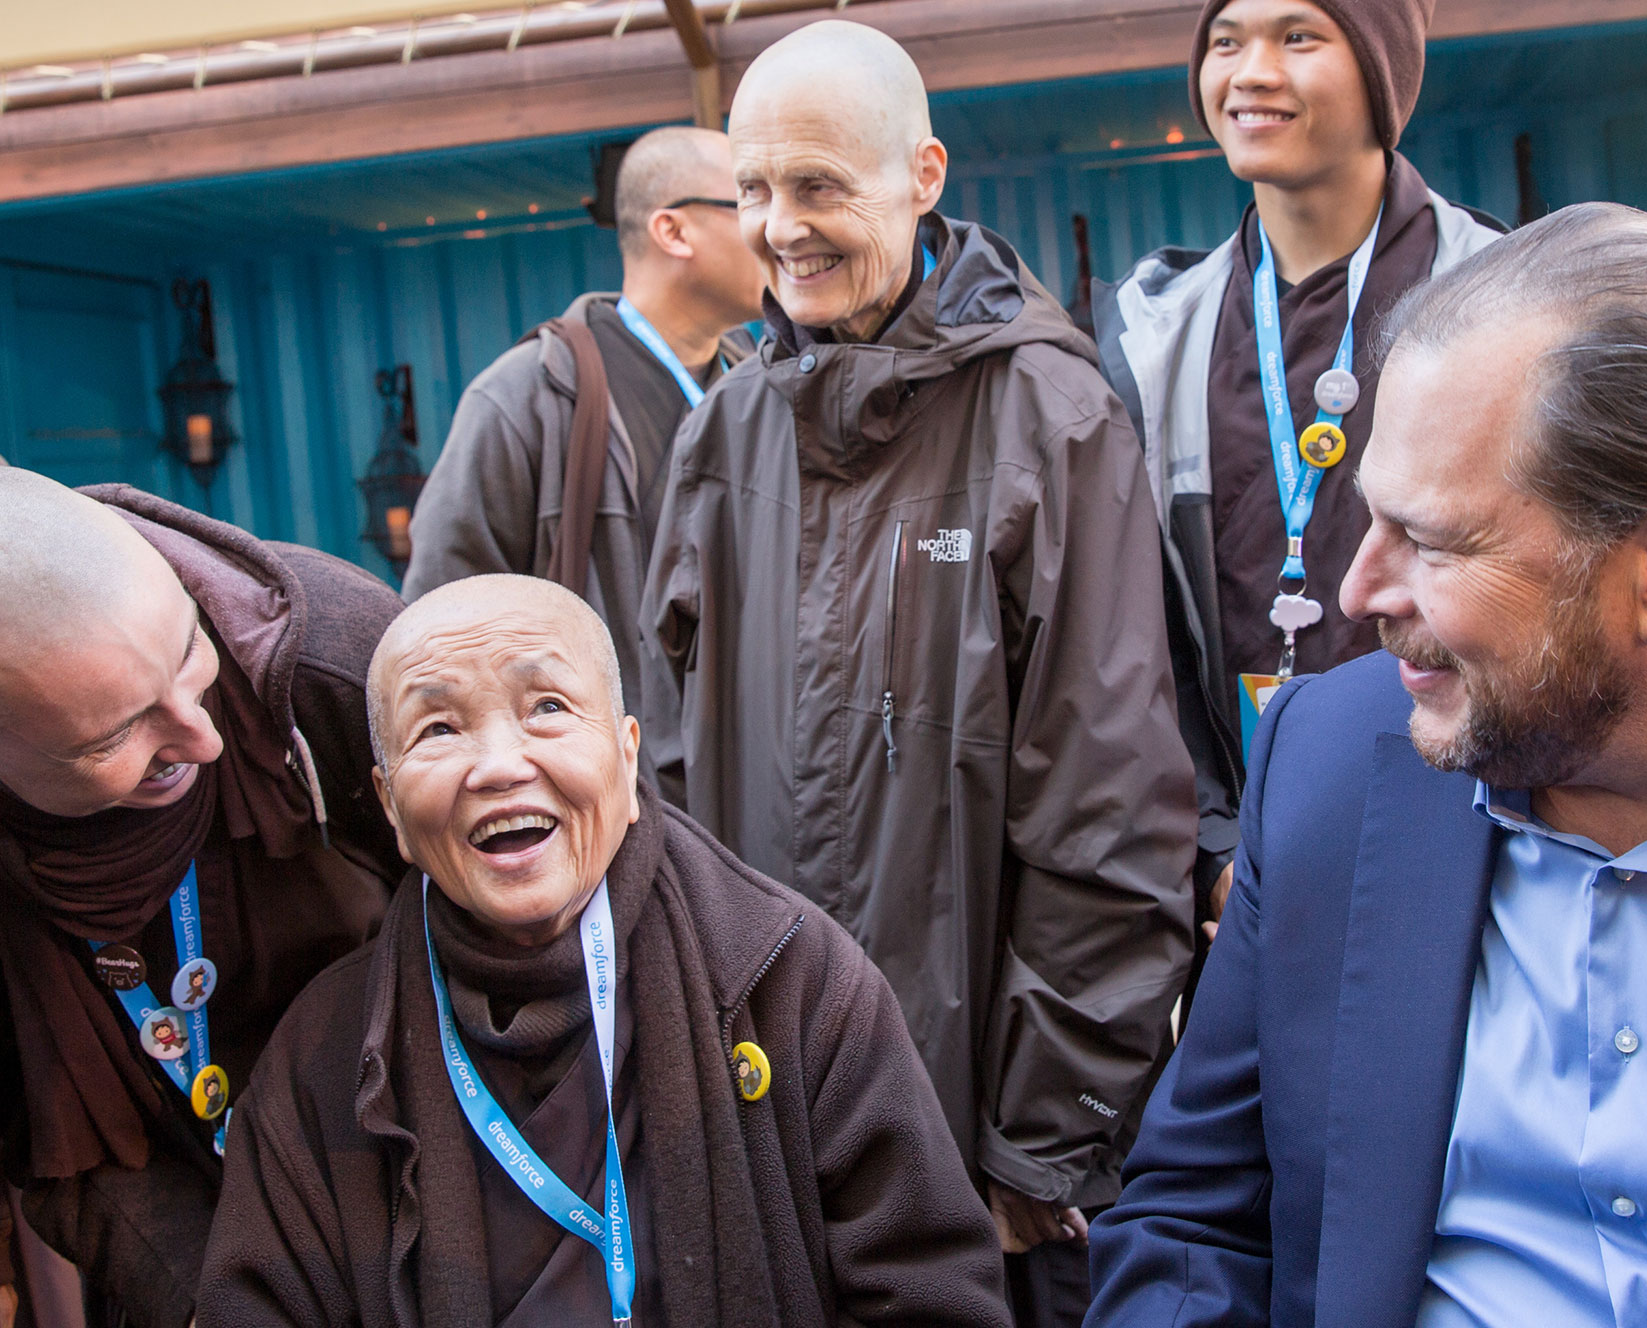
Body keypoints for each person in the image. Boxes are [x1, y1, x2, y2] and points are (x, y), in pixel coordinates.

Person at [1086, 202, 1647, 1326]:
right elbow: (1191, 1220)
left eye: (1434, 540)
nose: (1358, 592)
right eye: (1368, 519)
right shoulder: (1327, 757)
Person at [641, 21, 1196, 1325]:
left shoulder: (1045, 419)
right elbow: (665, 792)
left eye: (821, 186)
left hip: (979, 1162)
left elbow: (1110, 817)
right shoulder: (723, 433)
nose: (782, 228)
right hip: (767, 1130)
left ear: (924, 174)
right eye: (758, 191)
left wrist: (1037, 1149)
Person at [198, 575, 1012, 1328]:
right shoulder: (325, 1058)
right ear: (392, 811)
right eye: (439, 727)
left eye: (547, 706)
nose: (499, 765)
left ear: (627, 759)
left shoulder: (787, 979)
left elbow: (933, 1293)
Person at [1092, 0, 1502, 945]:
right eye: (1226, 41)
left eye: (1298, 36)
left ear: (1381, 70)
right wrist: (1215, 845)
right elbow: (1137, 632)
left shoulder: (1508, 295)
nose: (1251, 72)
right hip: (1246, 872)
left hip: (1478, 839)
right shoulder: (1153, 335)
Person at [0, 471, 403, 1328]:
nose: (205, 736)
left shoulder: (328, 652)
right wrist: (215, 1300)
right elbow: (52, 1149)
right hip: (180, 1228)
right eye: (117, 733)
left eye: (188, 654)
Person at [404, 125, 766, 714]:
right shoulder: (527, 397)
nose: (772, 228)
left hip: (757, 759)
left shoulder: (762, 384)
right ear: (672, 230)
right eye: (748, 201)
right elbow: (441, 617)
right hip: (619, 783)